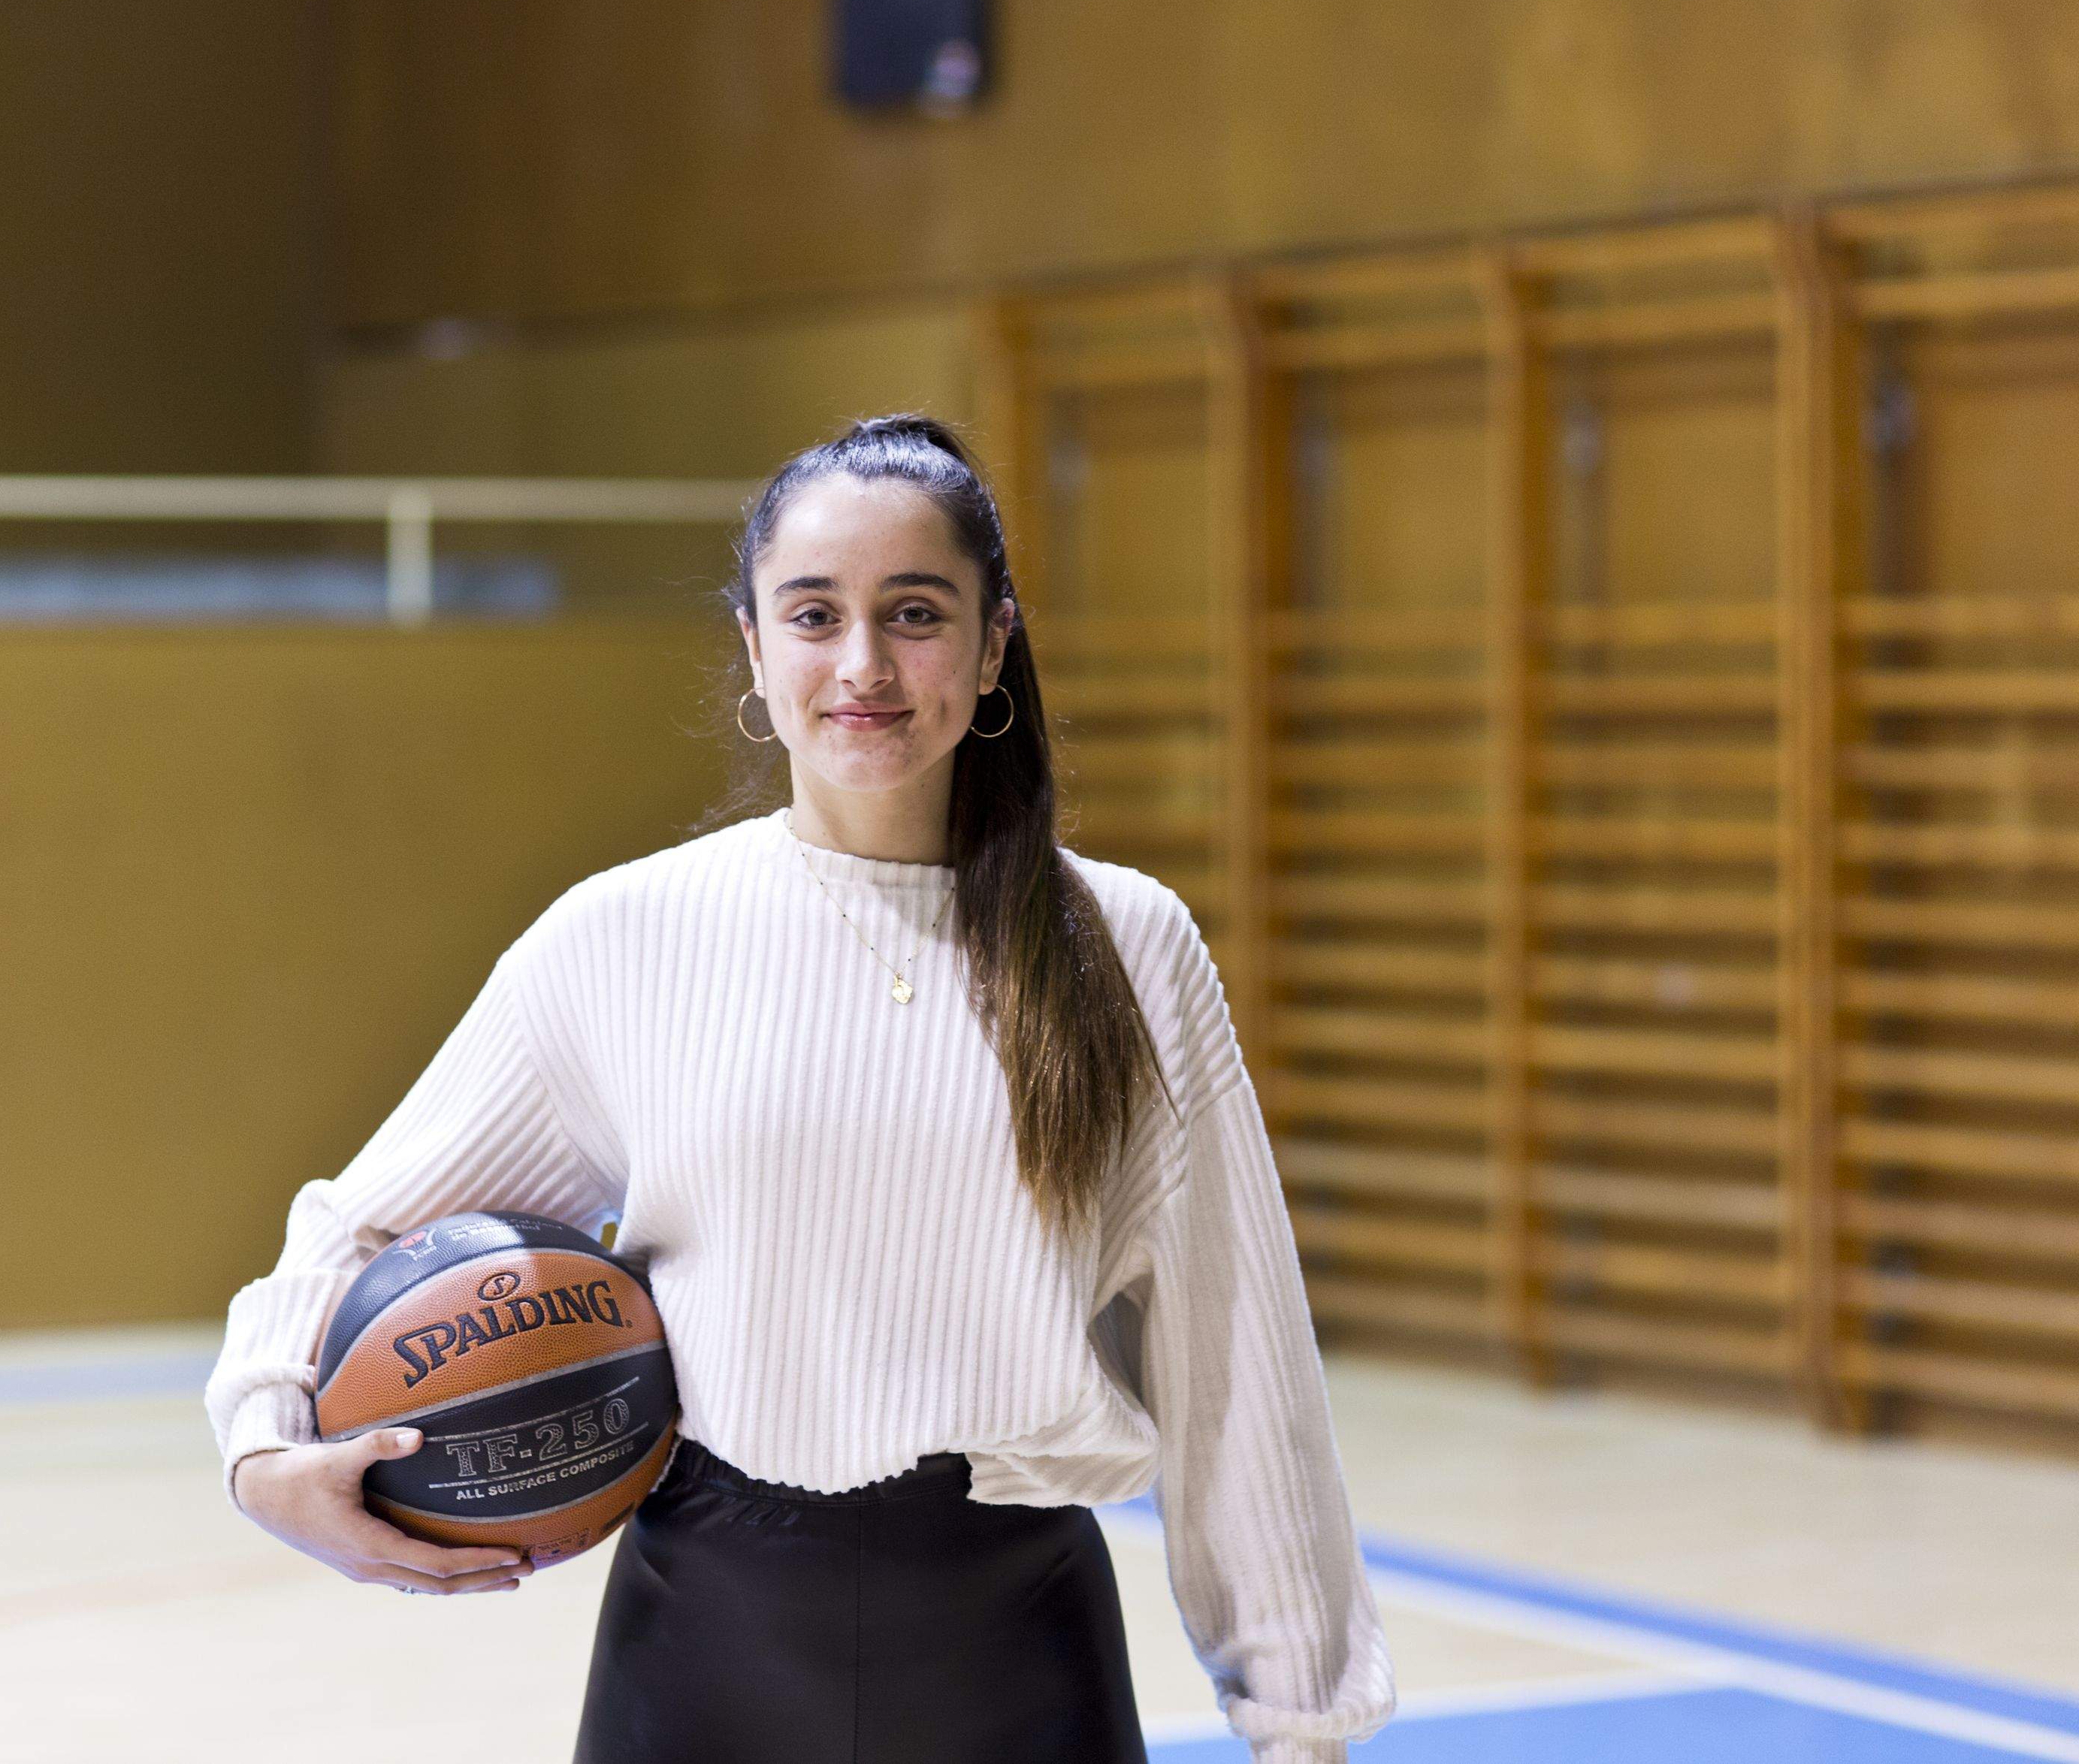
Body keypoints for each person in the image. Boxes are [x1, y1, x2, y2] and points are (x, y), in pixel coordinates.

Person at [203, 412, 1396, 1763]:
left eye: (917, 612)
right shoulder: (627, 936)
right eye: (817, 615)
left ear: (996, 641)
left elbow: (1237, 1358)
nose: (866, 665)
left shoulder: (1126, 948)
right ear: (757, 651)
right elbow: (361, 1222)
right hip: (704, 1639)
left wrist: (1302, 1723)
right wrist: (263, 1444)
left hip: (1017, 1650)